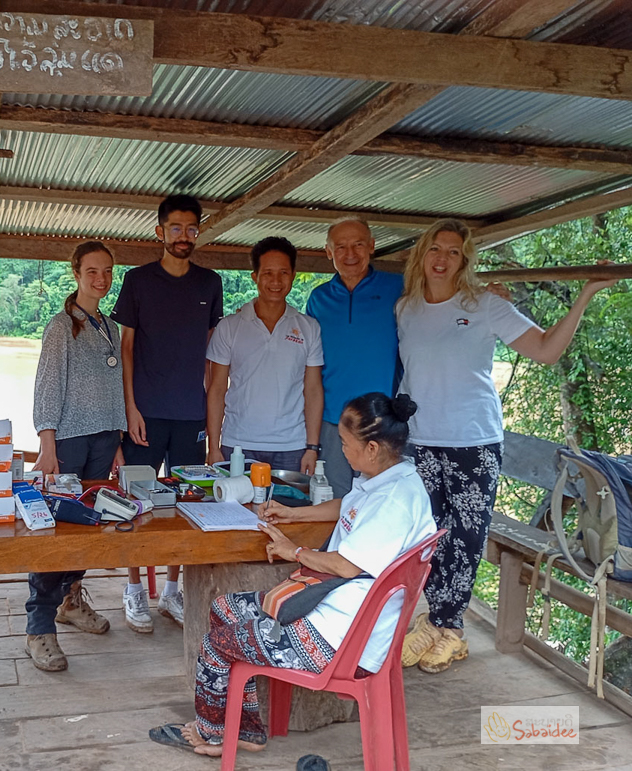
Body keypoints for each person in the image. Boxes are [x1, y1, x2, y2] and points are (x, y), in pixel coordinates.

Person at [149, 392, 436, 756]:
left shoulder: (397, 500)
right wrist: (293, 514)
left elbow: (346, 565)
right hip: (337, 610)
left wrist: (294, 551)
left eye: (346, 444)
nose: (342, 450)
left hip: (338, 639)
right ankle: (247, 729)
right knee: (225, 609)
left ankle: (213, 733)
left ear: (373, 448)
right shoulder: (386, 478)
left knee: (215, 646)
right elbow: (347, 505)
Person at [396, 218, 619, 674]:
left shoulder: (485, 305)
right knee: (429, 536)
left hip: (473, 440)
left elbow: (545, 350)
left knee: (467, 536)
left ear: (464, 260)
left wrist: (585, 295)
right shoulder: (407, 308)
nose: (442, 259)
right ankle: (434, 619)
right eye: (435, 249)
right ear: (422, 254)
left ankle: (451, 629)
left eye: (453, 252)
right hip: (422, 438)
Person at [110, 194, 224, 633]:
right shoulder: (138, 280)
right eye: (175, 228)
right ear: (159, 232)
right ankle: (135, 589)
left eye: (191, 228)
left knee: (187, 502)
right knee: (134, 501)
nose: (184, 236)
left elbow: (214, 353)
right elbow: (127, 348)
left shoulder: (209, 283)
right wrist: (130, 408)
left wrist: (213, 416)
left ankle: (172, 591)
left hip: (191, 414)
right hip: (146, 414)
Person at [27, 241, 125, 672]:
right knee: (54, 535)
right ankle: (39, 628)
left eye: (106, 272)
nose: (100, 279)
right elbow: (47, 387)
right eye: (92, 272)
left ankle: (71, 601)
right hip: (67, 441)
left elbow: (113, 386)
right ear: (76, 273)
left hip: (104, 439)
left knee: (87, 528)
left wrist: (118, 440)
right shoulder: (61, 325)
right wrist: (47, 445)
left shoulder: (110, 326)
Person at [206, 236, 323, 473]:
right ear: (255, 277)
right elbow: (217, 389)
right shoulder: (230, 326)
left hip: (292, 447)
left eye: (283, 273)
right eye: (268, 273)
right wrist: (213, 446)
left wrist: (312, 447)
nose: (276, 281)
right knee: (236, 510)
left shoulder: (309, 327)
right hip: (238, 445)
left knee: (291, 510)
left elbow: (313, 389)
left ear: (293, 275)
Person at [306, 218, 403, 498]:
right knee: (334, 500)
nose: (350, 254)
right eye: (341, 247)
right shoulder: (318, 298)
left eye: (358, 245)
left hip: (381, 421)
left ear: (371, 247)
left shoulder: (398, 288)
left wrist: (485, 293)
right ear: (328, 252)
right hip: (332, 421)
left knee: (381, 500)